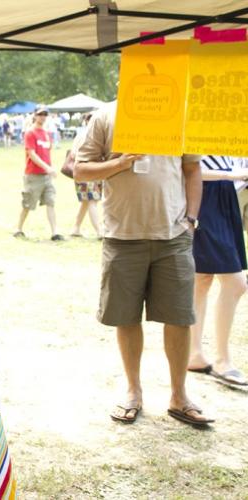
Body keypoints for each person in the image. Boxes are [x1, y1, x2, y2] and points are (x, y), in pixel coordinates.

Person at [75, 103, 214, 427]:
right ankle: (133, 392)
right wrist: (121, 162)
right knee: (126, 315)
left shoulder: (179, 112)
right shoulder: (106, 116)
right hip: (122, 234)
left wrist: (191, 219)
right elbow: (81, 169)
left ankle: (179, 396)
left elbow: (192, 169)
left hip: (173, 235)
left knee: (180, 316)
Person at [188, 155, 248, 388]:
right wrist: (231, 175)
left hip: (224, 194)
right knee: (234, 283)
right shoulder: (196, 122)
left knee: (201, 279)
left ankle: (195, 353)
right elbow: (188, 167)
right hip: (203, 193)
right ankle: (221, 359)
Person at [14, 107, 63, 241]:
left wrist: (49, 169)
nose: (43, 117)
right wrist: (47, 167)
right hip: (33, 175)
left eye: (45, 114)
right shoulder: (30, 133)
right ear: (34, 115)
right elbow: (32, 154)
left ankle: (55, 233)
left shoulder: (46, 133)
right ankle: (18, 229)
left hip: (47, 176)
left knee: (50, 202)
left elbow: (47, 152)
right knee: (28, 204)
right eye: (40, 114)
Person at [69, 113, 102, 238]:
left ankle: (76, 228)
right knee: (92, 199)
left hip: (90, 172)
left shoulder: (84, 135)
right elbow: (73, 155)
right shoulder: (84, 135)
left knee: (86, 201)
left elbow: (72, 154)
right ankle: (100, 231)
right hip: (87, 171)